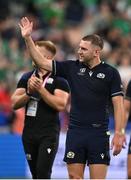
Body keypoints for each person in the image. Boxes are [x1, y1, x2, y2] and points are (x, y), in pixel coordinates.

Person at [18, 17, 125, 179]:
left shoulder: (111, 73)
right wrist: (27, 38)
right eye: (79, 47)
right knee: (74, 178)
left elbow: (119, 105)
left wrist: (119, 132)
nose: (79, 51)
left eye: (83, 49)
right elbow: (40, 60)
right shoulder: (71, 67)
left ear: (96, 52)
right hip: (75, 132)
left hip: (99, 133)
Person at [11, 40, 70, 179]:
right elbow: (14, 103)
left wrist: (40, 90)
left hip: (48, 133)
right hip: (29, 132)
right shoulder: (27, 77)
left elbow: (60, 105)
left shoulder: (60, 79)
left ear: (48, 58)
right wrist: (29, 93)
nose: (32, 55)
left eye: (36, 53)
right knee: (35, 174)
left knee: (43, 173)